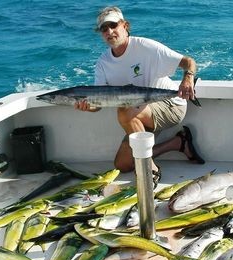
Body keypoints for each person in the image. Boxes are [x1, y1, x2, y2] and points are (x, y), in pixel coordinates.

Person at [75, 6, 204, 187]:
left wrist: (188, 79)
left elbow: (188, 62)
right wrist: (88, 107)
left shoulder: (145, 47)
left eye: (113, 25)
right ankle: (178, 143)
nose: (109, 32)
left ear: (125, 26)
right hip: (139, 113)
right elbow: (98, 102)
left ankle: (150, 167)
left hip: (169, 105)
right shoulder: (103, 63)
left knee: (124, 109)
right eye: (104, 29)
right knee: (122, 165)